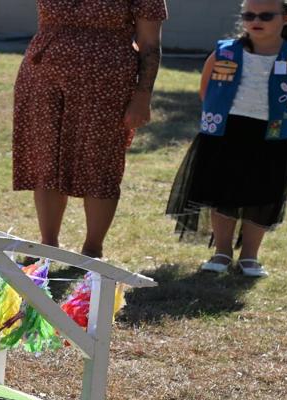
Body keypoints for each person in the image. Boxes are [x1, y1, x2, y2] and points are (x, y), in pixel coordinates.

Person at [164, 0, 287, 278]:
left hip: (271, 135)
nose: (255, 20)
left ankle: (250, 256)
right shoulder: (226, 52)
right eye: (248, 14)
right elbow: (206, 91)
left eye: (265, 15)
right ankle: (222, 251)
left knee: (261, 194)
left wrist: (285, 113)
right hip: (225, 132)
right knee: (221, 192)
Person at [13, 0, 168, 259]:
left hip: (107, 82)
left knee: (100, 163)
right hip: (42, 76)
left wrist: (142, 96)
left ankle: (92, 250)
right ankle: (48, 245)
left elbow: (149, 43)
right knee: (46, 159)